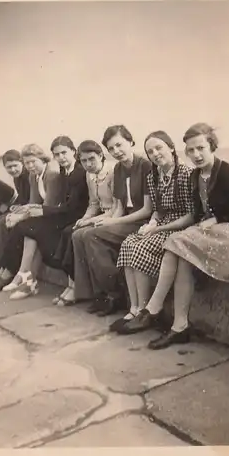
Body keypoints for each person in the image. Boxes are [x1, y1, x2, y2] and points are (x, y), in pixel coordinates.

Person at [118, 122, 229, 349]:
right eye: (191, 150)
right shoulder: (195, 177)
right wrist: (206, 223)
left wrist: (218, 219)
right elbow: (197, 215)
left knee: (177, 240)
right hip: (216, 232)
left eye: (200, 148)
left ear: (212, 146)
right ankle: (179, 326)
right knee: (181, 252)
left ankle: (153, 309)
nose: (196, 155)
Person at [0, 136, 89, 299]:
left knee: (29, 228)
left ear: (74, 152)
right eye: (57, 154)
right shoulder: (60, 171)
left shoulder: (56, 174)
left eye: (64, 153)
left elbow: (59, 206)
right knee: (25, 227)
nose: (61, 157)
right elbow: (35, 202)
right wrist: (20, 213)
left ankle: (24, 275)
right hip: (61, 213)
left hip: (74, 217)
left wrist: (25, 215)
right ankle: (23, 275)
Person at [110, 130, 194, 333]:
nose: (155, 154)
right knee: (129, 243)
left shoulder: (184, 173)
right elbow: (156, 210)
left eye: (159, 148)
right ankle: (135, 308)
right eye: (150, 151)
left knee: (141, 248)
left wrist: (160, 228)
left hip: (180, 226)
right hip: (163, 223)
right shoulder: (154, 175)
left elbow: (191, 215)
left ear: (171, 148)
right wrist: (152, 224)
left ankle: (146, 312)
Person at [73, 125, 152, 316]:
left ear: (130, 142)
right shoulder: (118, 169)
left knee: (93, 236)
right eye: (111, 148)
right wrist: (105, 220)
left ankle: (114, 294)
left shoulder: (145, 166)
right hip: (125, 219)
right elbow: (118, 208)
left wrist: (113, 223)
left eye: (119, 145)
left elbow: (147, 210)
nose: (116, 151)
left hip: (143, 221)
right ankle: (99, 294)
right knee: (81, 234)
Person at [0, 144, 61, 283]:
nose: (30, 166)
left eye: (33, 162)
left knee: (22, 227)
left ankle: (13, 271)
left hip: (54, 216)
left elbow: (47, 206)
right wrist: (18, 213)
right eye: (27, 163)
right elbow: (32, 202)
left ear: (42, 159)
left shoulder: (52, 175)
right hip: (42, 213)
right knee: (8, 222)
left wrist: (20, 217)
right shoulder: (34, 176)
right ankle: (4, 268)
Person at [52, 140, 116, 305]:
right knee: (73, 231)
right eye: (84, 161)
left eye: (91, 159)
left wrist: (92, 221)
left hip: (113, 215)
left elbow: (116, 208)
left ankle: (84, 289)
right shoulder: (89, 175)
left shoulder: (112, 172)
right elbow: (94, 203)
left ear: (101, 155)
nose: (88, 164)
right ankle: (75, 286)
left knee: (81, 234)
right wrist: (85, 219)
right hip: (100, 214)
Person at [0, 149, 31, 276]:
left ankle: (8, 267)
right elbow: (22, 198)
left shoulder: (29, 176)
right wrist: (13, 207)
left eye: (15, 166)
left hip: (30, 210)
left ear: (22, 163)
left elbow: (32, 198)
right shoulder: (17, 178)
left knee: (4, 222)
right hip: (24, 207)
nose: (12, 170)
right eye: (8, 167)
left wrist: (19, 208)